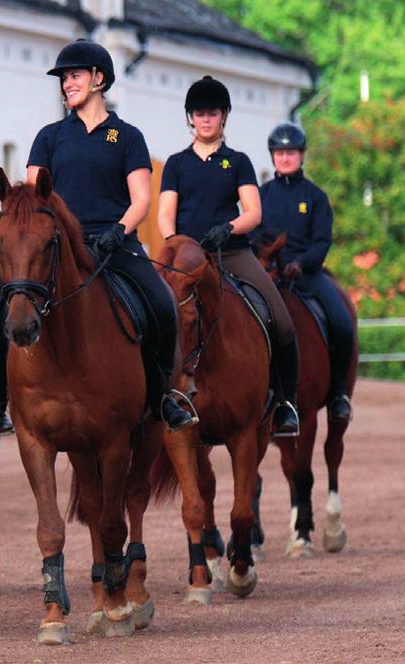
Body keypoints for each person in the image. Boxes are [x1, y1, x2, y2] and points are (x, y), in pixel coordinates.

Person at [0, 39, 195, 434]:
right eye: (64, 78)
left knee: (161, 303)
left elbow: (141, 199)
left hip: (112, 243)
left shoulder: (127, 136)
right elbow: (33, 197)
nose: (67, 84)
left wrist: (118, 232)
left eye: (75, 76)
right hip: (56, 246)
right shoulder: (49, 137)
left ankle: (163, 397)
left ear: (99, 80)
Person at [157, 75, 300, 437]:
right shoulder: (176, 163)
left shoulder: (237, 161)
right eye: (200, 113)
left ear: (224, 117)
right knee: (154, 316)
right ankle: (156, 400)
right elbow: (164, 214)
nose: (206, 119)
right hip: (186, 255)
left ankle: (285, 404)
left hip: (231, 252)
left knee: (282, 321)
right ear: (190, 117)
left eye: (213, 113)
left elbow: (254, 211)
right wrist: (176, 243)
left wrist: (230, 228)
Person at [259, 123, 354, 422]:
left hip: (308, 274)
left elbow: (323, 240)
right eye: (280, 153)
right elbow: (254, 237)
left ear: (301, 156)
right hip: (269, 275)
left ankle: (339, 393)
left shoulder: (315, 197)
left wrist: (302, 262)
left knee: (341, 321)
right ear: (273, 156)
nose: (285, 158)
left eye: (291, 153)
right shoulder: (261, 196)